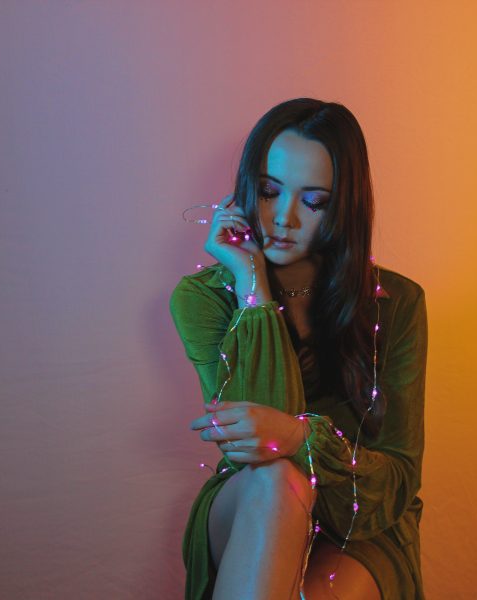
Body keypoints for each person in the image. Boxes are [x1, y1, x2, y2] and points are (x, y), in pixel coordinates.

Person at [169, 98, 428, 600]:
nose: (282, 218)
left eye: (314, 202)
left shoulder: (396, 303)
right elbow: (252, 448)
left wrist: (296, 436)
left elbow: (399, 476)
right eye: (269, 192)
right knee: (275, 481)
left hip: (358, 521)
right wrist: (253, 287)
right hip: (252, 502)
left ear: (343, 207)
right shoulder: (203, 298)